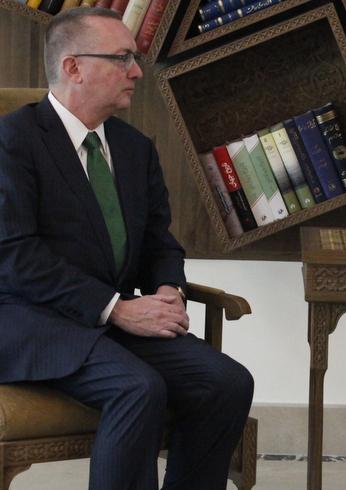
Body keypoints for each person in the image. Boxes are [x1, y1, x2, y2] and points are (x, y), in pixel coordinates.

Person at [0, 7, 253, 490]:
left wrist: (169, 289)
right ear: (73, 67)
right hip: (31, 322)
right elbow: (14, 257)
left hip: (110, 322)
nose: (136, 71)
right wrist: (116, 308)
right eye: (122, 59)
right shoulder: (13, 141)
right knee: (137, 387)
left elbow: (160, 241)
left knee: (227, 382)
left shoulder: (135, 147)